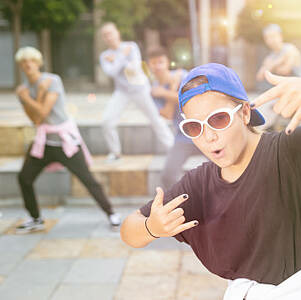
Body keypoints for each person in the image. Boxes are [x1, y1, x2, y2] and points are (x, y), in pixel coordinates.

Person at [121, 63, 301, 299]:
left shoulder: (290, 151)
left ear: (244, 112)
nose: (208, 136)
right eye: (194, 128)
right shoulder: (199, 185)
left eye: (218, 118)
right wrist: (151, 228)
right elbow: (130, 229)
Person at [14, 46, 121, 234]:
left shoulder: (52, 80)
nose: (28, 64)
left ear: (38, 63)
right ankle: (35, 218)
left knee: (88, 180)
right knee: (24, 178)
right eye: (24, 62)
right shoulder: (24, 89)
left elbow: (43, 112)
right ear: (20, 66)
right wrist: (33, 94)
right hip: (44, 142)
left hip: (66, 142)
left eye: (31, 60)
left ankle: (111, 213)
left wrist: (28, 97)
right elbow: (36, 120)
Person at [99, 22, 174, 162]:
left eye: (110, 33)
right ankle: (115, 153)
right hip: (121, 92)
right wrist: (122, 57)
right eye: (105, 35)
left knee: (156, 120)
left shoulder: (131, 47)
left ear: (117, 33)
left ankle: (171, 148)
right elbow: (112, 72)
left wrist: (117, 59)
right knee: (107, 121)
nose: (108, 37)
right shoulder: (104, 55)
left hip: (141, 90)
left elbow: (135, 69)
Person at [146, 47, 202, 190]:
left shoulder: (183, 76)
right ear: (149, 66)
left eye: (160, 62)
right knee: (168, 176)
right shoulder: (154, 89)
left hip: (205, 130)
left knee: (225, 168)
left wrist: (165, 92)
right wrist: (171, 89)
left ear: (167, 63)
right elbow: (167, 114)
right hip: (183, 137)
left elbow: (193, 100)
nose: (157, 66)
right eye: (153, 63)